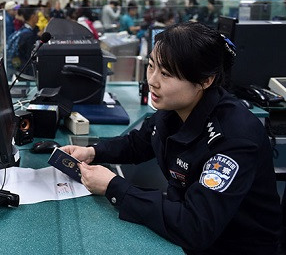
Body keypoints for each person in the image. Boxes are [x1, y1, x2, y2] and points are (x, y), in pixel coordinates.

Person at [61, 22, 281, 254]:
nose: (153, 80)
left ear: (205, 81)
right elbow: (139, 142)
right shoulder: (174, 109)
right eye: (151, 66)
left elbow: (196, 226)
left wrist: (113, 187)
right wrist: (94, 152)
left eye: (166, 74)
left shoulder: (233, 139)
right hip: (186, 227)